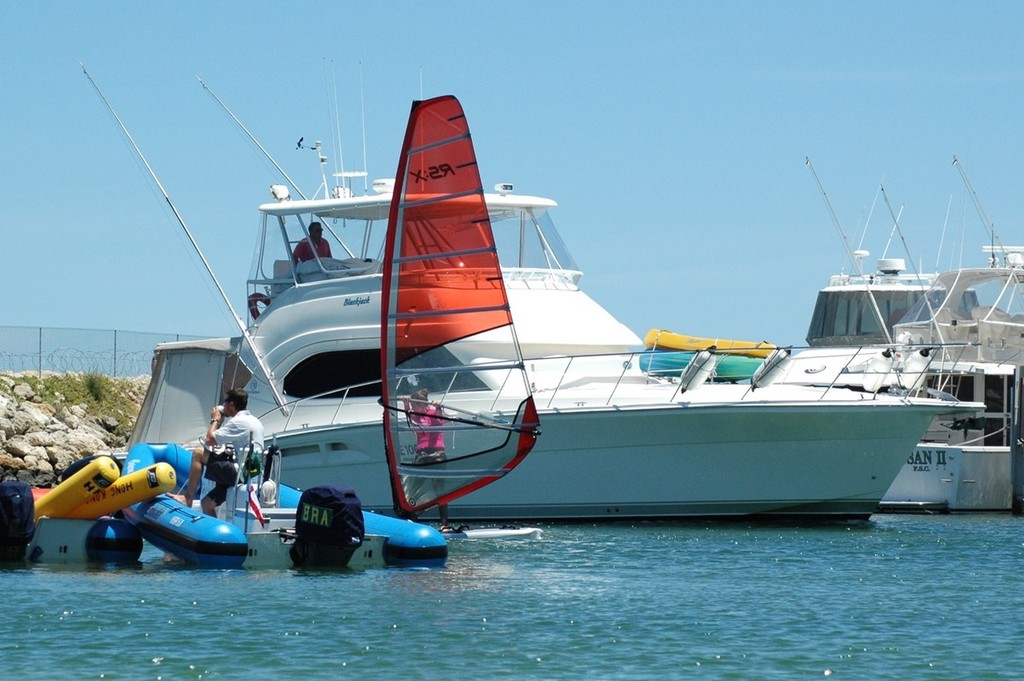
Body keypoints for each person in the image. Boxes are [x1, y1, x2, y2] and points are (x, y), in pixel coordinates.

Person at [181, 388, 265, 517]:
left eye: (225, 402)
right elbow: (217, 438)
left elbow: (209, 440)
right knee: (207, 504)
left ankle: (188, 498)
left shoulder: (238, 422)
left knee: (198, 453)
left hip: (240, 474)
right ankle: (215, 535)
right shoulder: (254, 420)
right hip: (251, 473)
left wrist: (216, 419)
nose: (223, 405)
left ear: (231, 405)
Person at [402, 387, 450, 531]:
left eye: (414, 405)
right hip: (421, 455)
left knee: (439, 490)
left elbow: (441, 420)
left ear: (424, 405)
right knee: (413, 489)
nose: (412, 407)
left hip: (437, 454)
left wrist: (438, 408)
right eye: (412, 406)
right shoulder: (415, 416)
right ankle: (411, 520)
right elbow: (408, 416)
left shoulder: (434, 413)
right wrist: (405, 404)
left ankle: (444, 524)